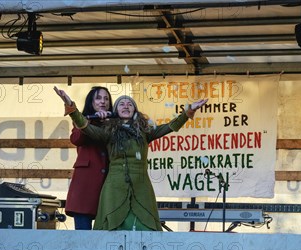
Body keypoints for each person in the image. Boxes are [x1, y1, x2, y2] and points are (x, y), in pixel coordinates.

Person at [55, 87, 208, 231]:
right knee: (111, 229)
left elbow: (169, 127)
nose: (126, 106)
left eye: (130, 104)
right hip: (114, 186)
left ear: (135, 110)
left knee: (144, 228)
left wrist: (188, 111)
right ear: (115, 111)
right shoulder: (108, 131)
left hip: (141, 186)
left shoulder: (144, 131)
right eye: (121, 103)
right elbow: (84, 126)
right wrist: (71, 106)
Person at [65, 86, 113, 230]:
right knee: (83, 238)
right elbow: (76, 139)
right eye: (98, 98)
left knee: (105, 239)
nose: (102, 102)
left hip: (107, 185)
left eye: (106, 98)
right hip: (85, 186)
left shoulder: (114, 122)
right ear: (91, 103)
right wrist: (89, 122)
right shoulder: (82, 120)